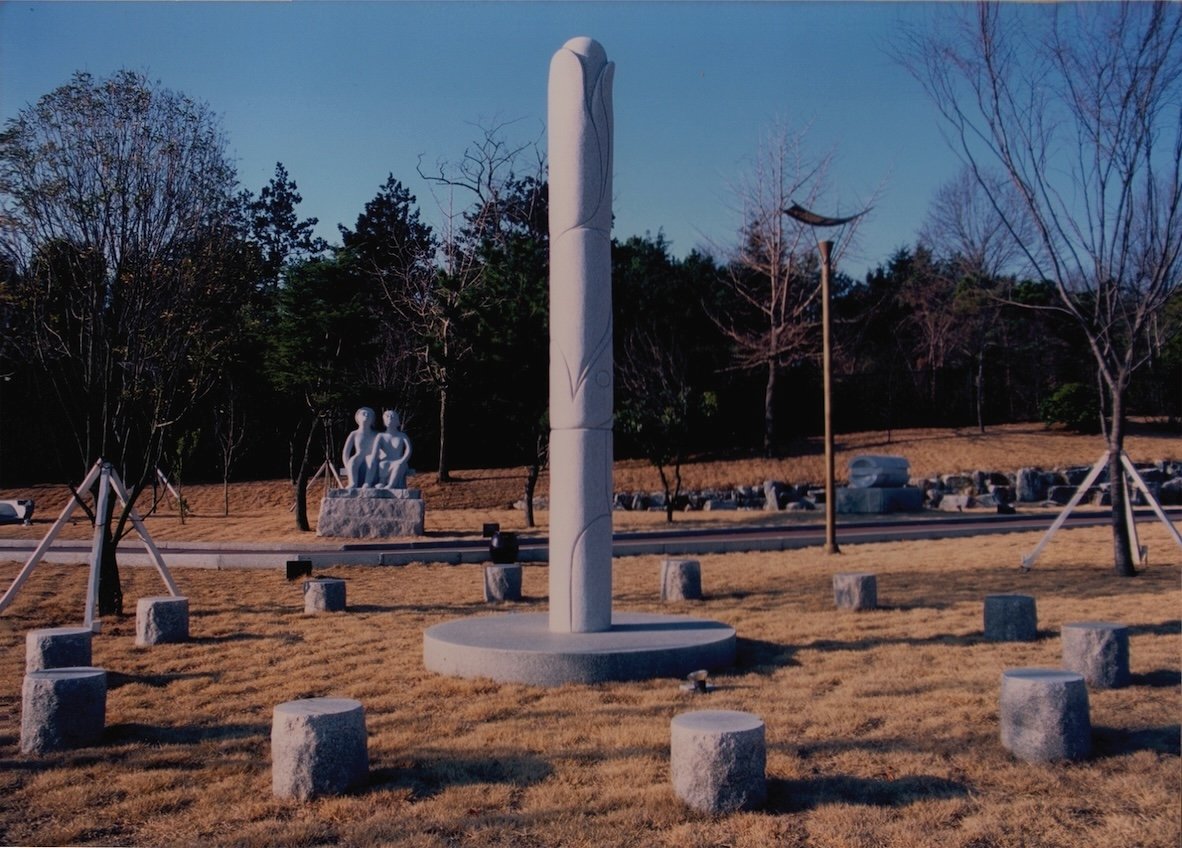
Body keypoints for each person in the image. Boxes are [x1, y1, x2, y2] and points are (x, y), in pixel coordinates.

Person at [341, 407, 379, 488]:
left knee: (371, 460)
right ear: (358, 417)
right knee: (352, 461)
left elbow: (382, 450)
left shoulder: (376, 434)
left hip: (371, 456)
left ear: (372, 419)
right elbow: (346, 452)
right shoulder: (354, 434)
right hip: (359, 456)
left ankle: (367, 483)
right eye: (364, 413)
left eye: (369, 414)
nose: (366, 415)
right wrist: (347, 465)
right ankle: (353, 483)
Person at [373, 409, 412, 490]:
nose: (390, 418)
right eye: (387, 416)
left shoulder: (402, 435)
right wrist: (380, 456)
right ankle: (382, 482)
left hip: (400, 461)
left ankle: (391, 485)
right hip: (386, 461)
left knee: (398, 465)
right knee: (383, 464)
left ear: (397, 420)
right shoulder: (380, 436)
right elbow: (375, 450)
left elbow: (408, 449)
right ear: (384, 421)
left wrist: (403, 460)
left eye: (392, 416)